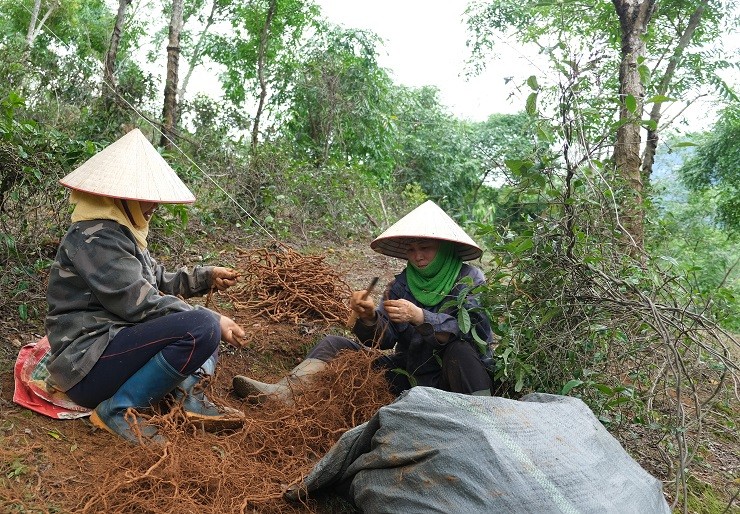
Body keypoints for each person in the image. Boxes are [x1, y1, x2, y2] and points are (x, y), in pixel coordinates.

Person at [44, 128, 247, 444]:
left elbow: (158, 279)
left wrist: (205, 277)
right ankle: (120, 409)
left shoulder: (121, 233)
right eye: (145, 196)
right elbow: (139, 301)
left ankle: (188, 397)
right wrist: (212, 322)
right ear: (119, 196)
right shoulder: (94, 237)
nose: (153, 205)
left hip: (111, 350)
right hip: (87, 365)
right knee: (203, 325)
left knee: (202, 323)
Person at [232, 200, 493, 402]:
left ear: (445, 247)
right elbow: (384, 340)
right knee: (334, 344)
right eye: (411, 250)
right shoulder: (402, 284)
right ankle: (284, 394)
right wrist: (369, 317)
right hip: (410, 375)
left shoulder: (470, 279)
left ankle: (483, 415)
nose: (418, 256)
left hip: (455, 378)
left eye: (425, 247)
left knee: (460, 353)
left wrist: (421, 317)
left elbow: (474, 331)